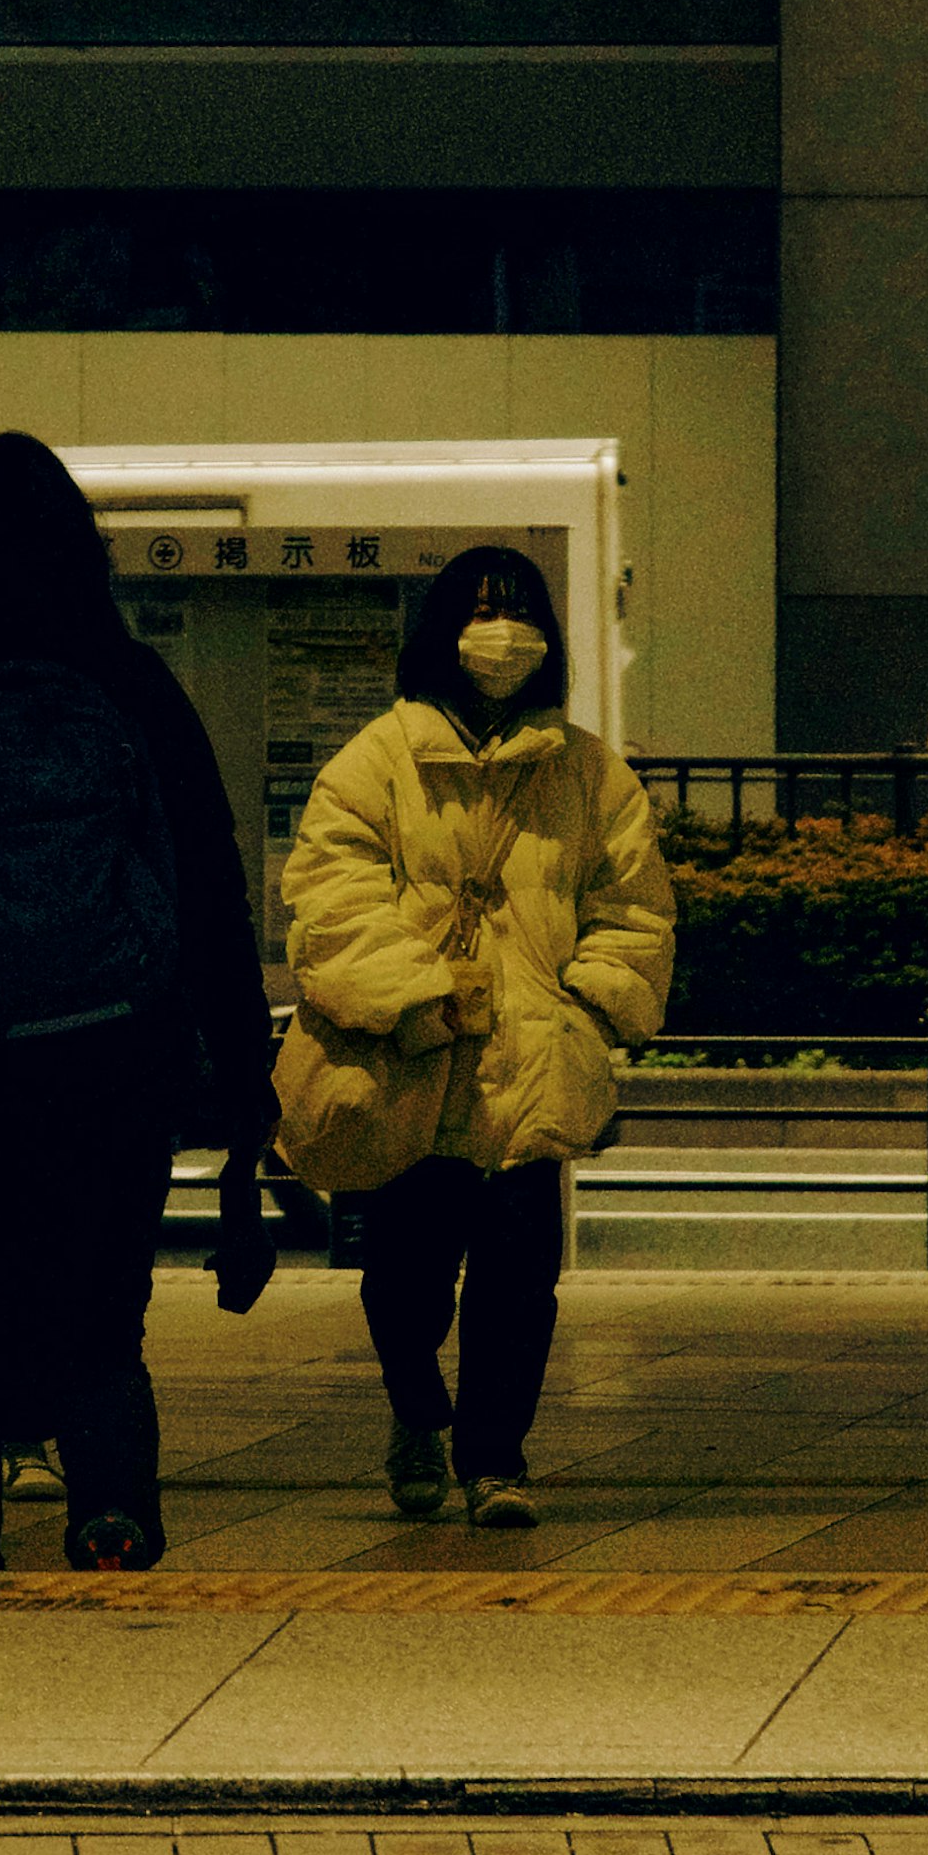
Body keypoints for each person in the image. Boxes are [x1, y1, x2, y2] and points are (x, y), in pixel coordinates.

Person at [0, 429, 275, 1573]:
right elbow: (209, 880)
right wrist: (237, 1069)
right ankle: (111, 1513)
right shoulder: (130, 682)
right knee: (99, 1314)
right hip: (115, 1060)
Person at [277, 543, 673, 1530]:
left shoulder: (590, 773)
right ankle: (418, 1409)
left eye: (521, 607)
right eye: (481, 607)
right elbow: (330, 901)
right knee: (403, 1277)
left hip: (531, 1066)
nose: (503, 630)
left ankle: (494, 1456)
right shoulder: (375, 762)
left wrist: (583, 1010)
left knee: (518, 1277)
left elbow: (634, 908)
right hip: (413, 1067)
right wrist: (417, 998)